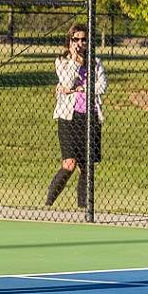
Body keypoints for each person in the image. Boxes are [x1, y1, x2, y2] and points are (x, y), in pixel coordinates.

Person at [45, 23, 107, 208]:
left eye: (84, 39)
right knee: (69, 163)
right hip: (68, 118)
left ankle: (83, 208)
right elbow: (66, 81)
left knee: (86, 167)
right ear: (70, 41)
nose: (80, 43)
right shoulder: (62, 61)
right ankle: (48, 203)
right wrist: (74, 59)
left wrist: (80, 88)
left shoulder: (95, 62)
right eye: (76, 39)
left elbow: (102, 87)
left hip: (90, 117)